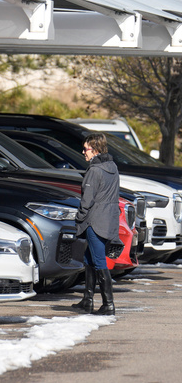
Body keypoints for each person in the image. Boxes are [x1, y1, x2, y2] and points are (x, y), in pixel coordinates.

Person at [73, 132, 120, 315]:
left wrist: (79, 217)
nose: (83, 152)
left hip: (94, 221)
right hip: (108, 219)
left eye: (86, 149)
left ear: (96, 149)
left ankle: (108, 304)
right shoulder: (112, 167)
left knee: (99, 261)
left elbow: (87, 200)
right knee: (88, 258)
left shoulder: (94, 170)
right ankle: (87, 300)